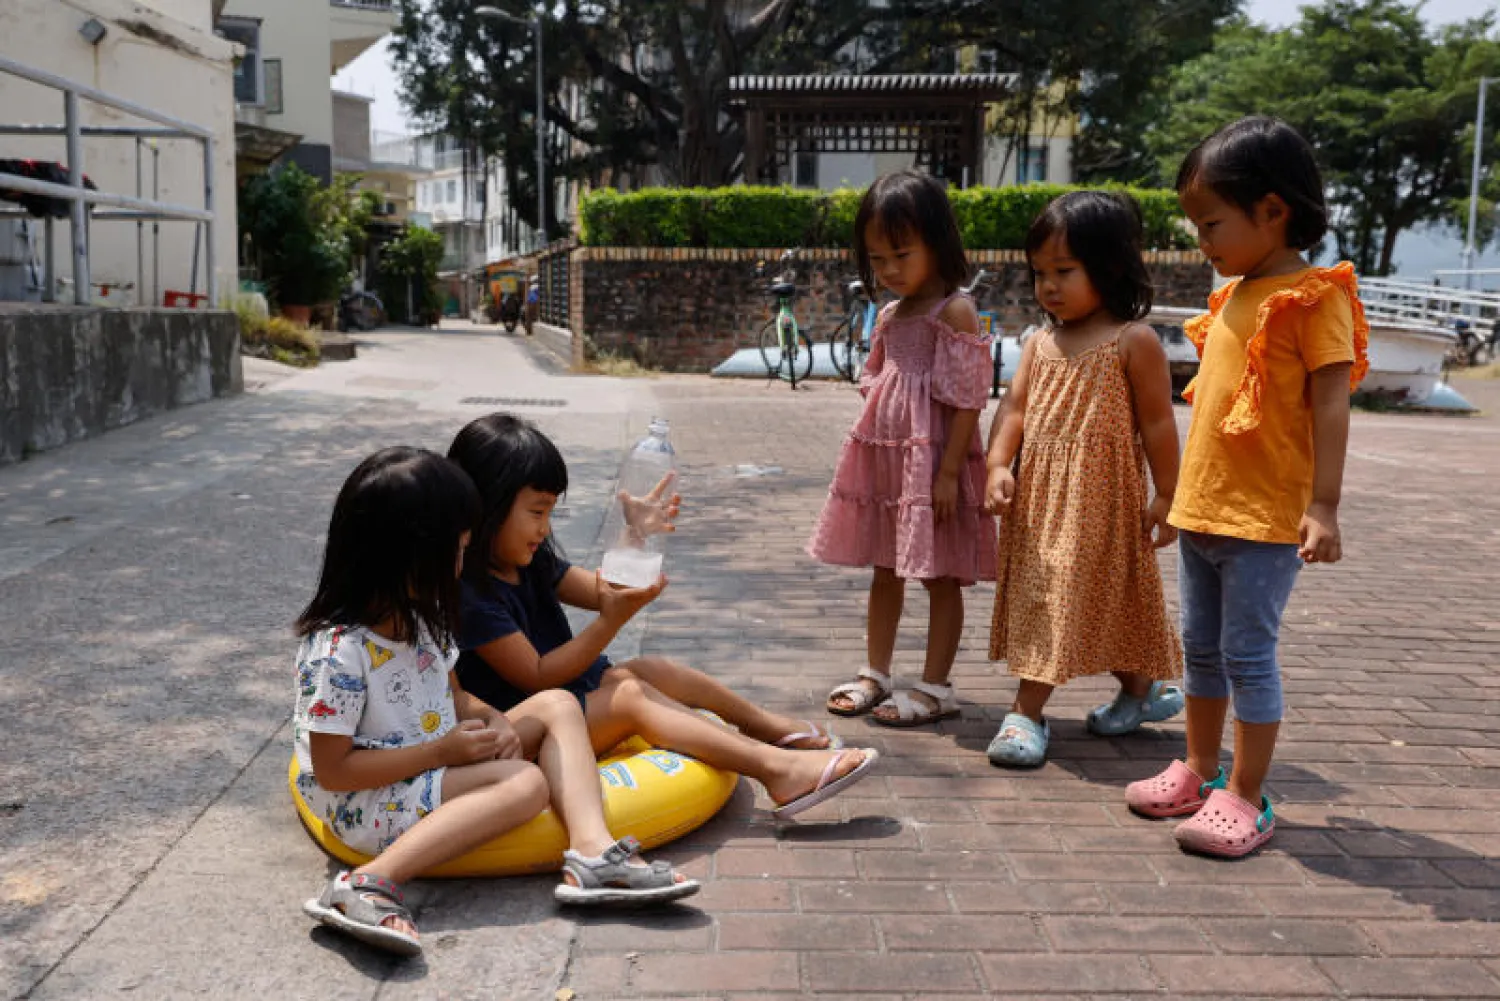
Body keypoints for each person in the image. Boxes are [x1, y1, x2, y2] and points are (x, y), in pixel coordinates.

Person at [296, 448, 698, 958]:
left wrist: (487, 718)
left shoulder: (422, 623)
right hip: (367, 799)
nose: (464, 565)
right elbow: (333, 772)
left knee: (554, 703)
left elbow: (454, 695)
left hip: (428, 763)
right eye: (458, 550)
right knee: (526, 783)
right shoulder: (339, 653)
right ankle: (364, 885)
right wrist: (439, 753)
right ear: (411, 555)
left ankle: (593, 854)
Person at [1125, 116, 1368, 857]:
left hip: (1264, 520)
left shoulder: (1313, 297)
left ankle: (1249, 795)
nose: (1203, 240)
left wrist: (1323, 504)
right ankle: (1200, 770)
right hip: (1205, 511)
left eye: (1211, 223)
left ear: (1273, 210)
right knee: (1199, 646)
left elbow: (1331, 401)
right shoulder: (1233, 296)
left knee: (1246, 653)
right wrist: (1174, 495)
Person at [446, 414, 879, 821]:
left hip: (562, 705)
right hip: (523, 734)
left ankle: (766, 727)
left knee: (644, 670)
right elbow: (538, 676)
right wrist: (610, 623)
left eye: (550, 513)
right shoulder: (470, 595)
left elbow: (605, 591)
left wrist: (635, 535)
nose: (545, 528)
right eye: (536, 513)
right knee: (628, 696)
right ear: (486, 509)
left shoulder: (529, 560)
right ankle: (778, 771)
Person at [983, 191, 1184, 768]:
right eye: (1040, 272)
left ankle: (1025, 713)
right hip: (1041, 499)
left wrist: (1167, 494)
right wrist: (999, 463)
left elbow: (1157, 424)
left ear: (1110, 266)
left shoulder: (1132, 340)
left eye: (1064, 271)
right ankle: (1142, 690)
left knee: (1065, 597)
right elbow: (1014, 410)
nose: (1049, 285)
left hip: (1102, 503)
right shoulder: (1038, 342)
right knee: (1072, 603)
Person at [808, 169, 996, 726]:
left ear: (936, 245)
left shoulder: (954, 311)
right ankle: (877, 671)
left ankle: (937, 686)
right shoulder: (890, 315)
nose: (888, 271)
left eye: (900, 255)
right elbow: (877, 378)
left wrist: (945, 473)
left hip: (935, 463)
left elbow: (968, 400)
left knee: (940, 574)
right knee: (885, 567)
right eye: (877, 259)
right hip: (889, 462)